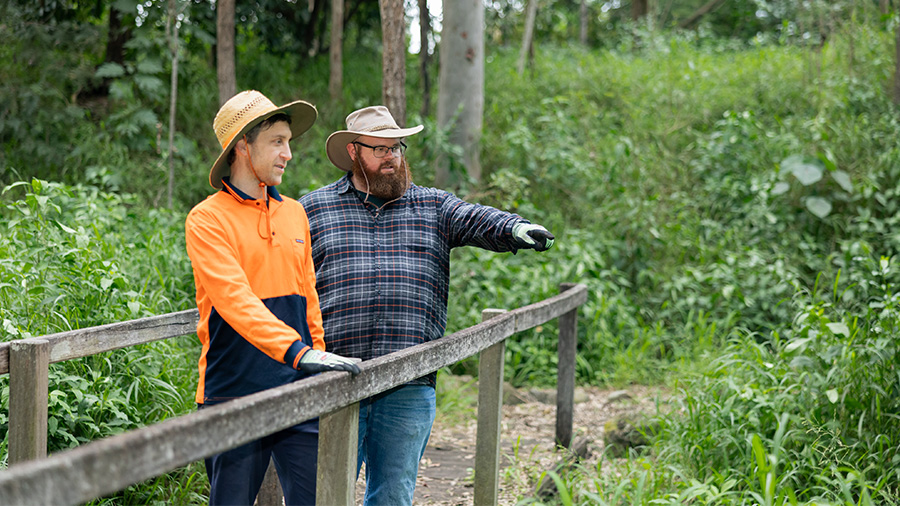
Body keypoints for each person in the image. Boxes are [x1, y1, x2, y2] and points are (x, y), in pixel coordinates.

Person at [298, 105, 555, 506]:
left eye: (397, 148)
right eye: (380, 149)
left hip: (409, 381)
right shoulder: (312, 209)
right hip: (334, 380)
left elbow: (476, 218)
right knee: (323, 495)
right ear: (353, 152)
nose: (392, 158)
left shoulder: (433, 206)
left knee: (393, 496)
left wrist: (516, 228)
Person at [185, 90, 361, 506]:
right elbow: (234, 300)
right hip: (234, 394)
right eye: (277, 142)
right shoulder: (207, 219)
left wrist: (316, 360)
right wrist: (298, 352)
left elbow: (308, 297)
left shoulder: (294, 213)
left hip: (299, 391)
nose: (289, 153)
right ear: (243, 147)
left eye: (289, 142)